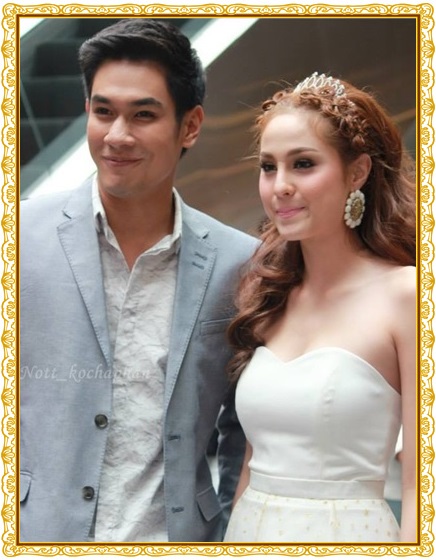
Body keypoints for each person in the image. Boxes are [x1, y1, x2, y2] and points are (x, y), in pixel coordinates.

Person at [20, 18, 257, 543]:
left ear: (190, 126)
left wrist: (225, 533)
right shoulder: (18, 236)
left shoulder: (239, 263)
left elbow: (245, 426)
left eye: (143, 114)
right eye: (103, 111)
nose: (117, 135)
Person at [223, 72, 416, 542]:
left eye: (303, 164)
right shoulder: (266, 296)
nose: (280, 186)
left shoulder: (407, 295)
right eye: (269, 167)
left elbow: (420, 484)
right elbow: (251, 463)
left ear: (358, 172)